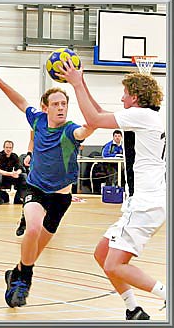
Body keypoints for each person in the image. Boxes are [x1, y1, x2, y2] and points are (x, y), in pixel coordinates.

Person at [0, 57, 94, 308]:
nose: (61, 107)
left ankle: (16, 273)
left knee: (34, 251)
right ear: (46, 107)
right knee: (31, 230)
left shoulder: (71, 131)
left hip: (61, 198)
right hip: (35, 189)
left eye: (64, 104)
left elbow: (90, 126)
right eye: (56, 104)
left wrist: (79, 84)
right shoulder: (38, 120)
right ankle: (25, 280)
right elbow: (20, 101)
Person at [59, 60, 166, 320]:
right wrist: (81, 81)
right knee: (102, 253)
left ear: (136, 97)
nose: (122, 97)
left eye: (125, 94)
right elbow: (99, 112)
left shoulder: (142, 116)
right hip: (142, 203)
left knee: (114, 264)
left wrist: (74, 85)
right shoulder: (145, 116)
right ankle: (133, 309)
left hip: (145, 203)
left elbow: (93, 118)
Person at [0, 140, 27, 205]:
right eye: (7, 147)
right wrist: (11, 174)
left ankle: (18, 198)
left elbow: (20, 168)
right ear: (4, 147)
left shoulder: (14, 156)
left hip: (9, 177)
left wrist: (17, 173)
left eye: (10, 148)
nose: (8, 149)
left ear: (12, 148)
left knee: (23, 175)